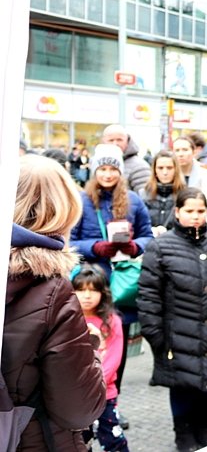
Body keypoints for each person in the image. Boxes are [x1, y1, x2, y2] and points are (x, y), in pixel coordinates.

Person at [3, 155, 106, 450]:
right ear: (64, 210)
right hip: (35, 440)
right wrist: (91, 352)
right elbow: (79, 409)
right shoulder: (52, 291)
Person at [138, 187, 207, 451]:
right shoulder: (161, 246)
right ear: (177, 212)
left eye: (200, 211)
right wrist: (154, 333)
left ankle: (204, 427)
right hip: (177, 331)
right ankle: (183, 433)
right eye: (189, 211)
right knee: (183, 384)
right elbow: (149, 294)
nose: (195, 216)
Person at [70, 143, 154, 430]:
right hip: (90, 286)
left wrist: (134, 246)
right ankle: (84, 405)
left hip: (121, 285)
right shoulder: (82, 200)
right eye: (102, 168)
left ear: (120, 171)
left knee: (114, 348)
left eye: (113, 169)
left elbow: (147, 235)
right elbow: (69, 240)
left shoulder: (132, 199)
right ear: (95, 170)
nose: (107, 174)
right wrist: (95, 247)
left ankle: (111, 404)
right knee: (86, 345)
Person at [72, 266, 129, 452]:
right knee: (81, 442)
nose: (87, 296)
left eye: (93, 289)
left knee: (114, 440)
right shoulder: (68, 320)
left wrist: (93, 382)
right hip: (76, 397)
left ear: (102, 292)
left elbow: (113, 358)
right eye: (81, 290)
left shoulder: (112, 321)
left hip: (105, 394)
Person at [173, 135, 207, 228]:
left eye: (185, 150)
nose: (181, 154)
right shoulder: (169, 173)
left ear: (194, 152)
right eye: (177, 150)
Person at [138, 150, 185, 237]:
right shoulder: (143, 194)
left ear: (176, 169)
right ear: (154, 170)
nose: (165, 172)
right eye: (160, 168)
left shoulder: (185, 194)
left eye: (169, 168)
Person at [102, 124, 151, 192]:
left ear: (127, 141)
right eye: (111, 140)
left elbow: (144, 198)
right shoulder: (97, 164)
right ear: (103, 141)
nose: (115, 144)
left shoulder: (140, 166)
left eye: (119, 140)